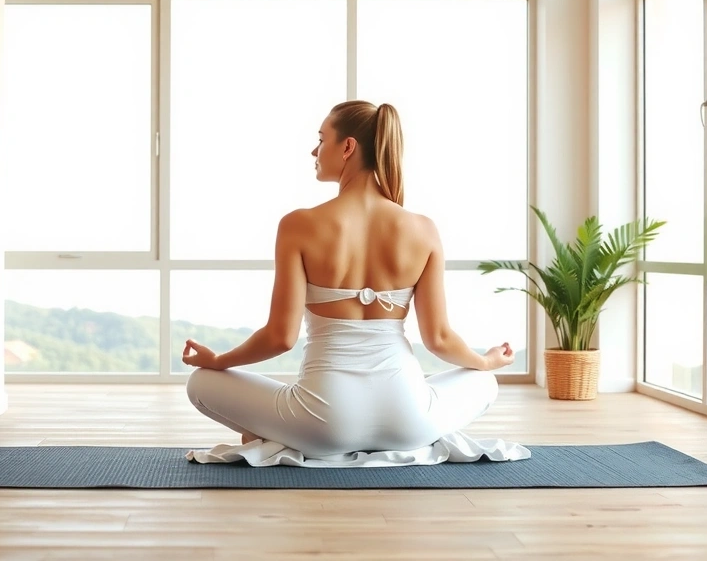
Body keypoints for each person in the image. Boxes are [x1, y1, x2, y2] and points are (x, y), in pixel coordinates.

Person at [182, 100, 526, 466]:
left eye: (321, 139)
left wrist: (219, 360)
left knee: (201, 383)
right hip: (410, 420)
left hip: (323, 425)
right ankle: (383, 431)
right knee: (483, 382)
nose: (314, 151)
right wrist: (484, 362)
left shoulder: (298, 225)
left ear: (347, 147)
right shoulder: (423, 229)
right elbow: (438, 338)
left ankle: (280, 432)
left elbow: (280, 337)